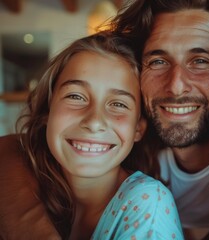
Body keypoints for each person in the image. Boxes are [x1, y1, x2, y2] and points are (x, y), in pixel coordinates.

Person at [0, 0, 209, 239]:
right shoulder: (136, 145)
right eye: (158, 61)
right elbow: (11, 148)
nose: (176, 86)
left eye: (200, 61)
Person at [12, 31, 183, 240]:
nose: (94, 122)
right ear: (48, 111)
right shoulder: (21, 182)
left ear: (138, 128)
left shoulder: (148, 204)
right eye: (76, 96)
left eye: (118, 104)